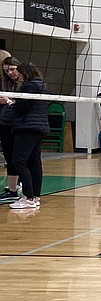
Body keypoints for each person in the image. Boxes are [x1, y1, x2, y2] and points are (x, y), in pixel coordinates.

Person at [7, 61, 49, 211]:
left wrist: (10, 102)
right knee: (34, 162)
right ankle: (35, 197)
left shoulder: (30, 86)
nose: (15, 75)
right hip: (39, 127)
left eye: (17, 71)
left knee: (18, 161)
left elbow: (22, 108)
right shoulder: (42, 85)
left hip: (28, 127)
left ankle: (28, 197)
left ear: (24, 72)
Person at [0, 56, 22, 203]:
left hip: (20, 126)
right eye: (7, 70)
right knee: (9, 157)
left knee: (20, 158)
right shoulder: (4, 84)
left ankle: (24, 189)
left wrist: (9, 101)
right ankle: (12, 189)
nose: (10, 73)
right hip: (5, 124)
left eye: (13, 69)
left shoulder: (26, 85)